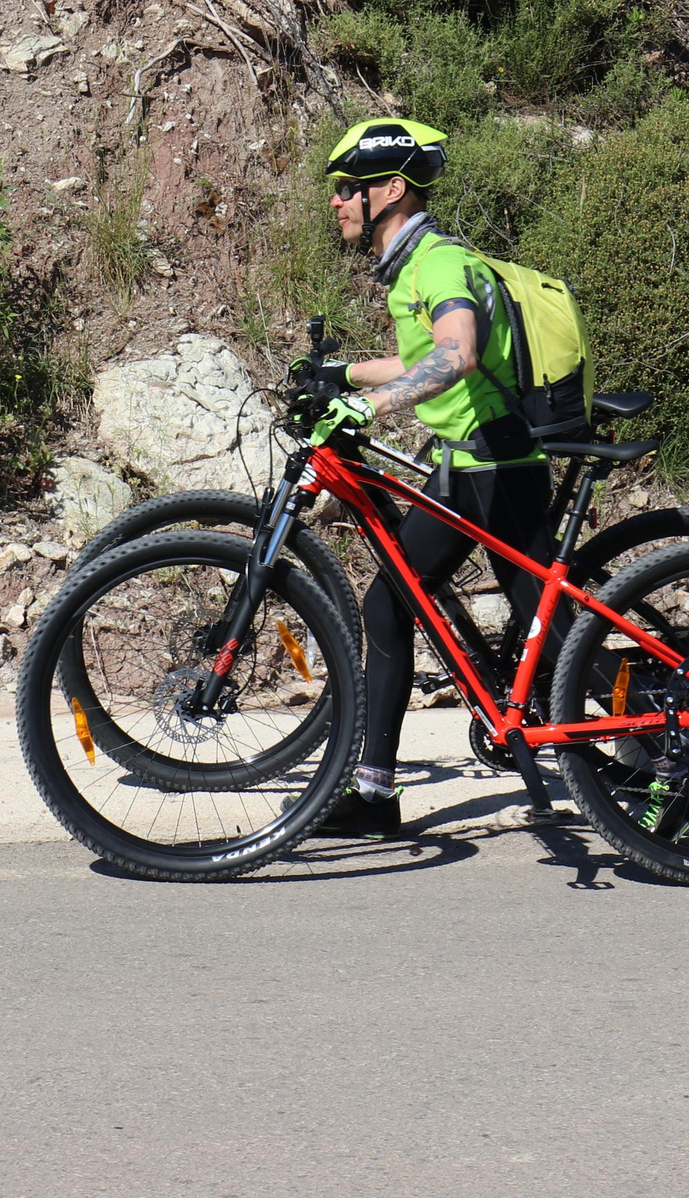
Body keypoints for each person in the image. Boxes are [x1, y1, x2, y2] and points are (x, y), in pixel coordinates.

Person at [297, 119, 553, 838]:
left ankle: (659, 755)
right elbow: (420, 363)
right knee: (395, 604)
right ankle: (375, 792)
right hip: (468, 466)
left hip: (495, 467)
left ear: (392, 189)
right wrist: (339, 373)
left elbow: (458, 354)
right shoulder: (410, 269)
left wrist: (369, 403)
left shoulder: (438, 263)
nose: (337, 201)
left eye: (349, 187)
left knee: (551, 634)